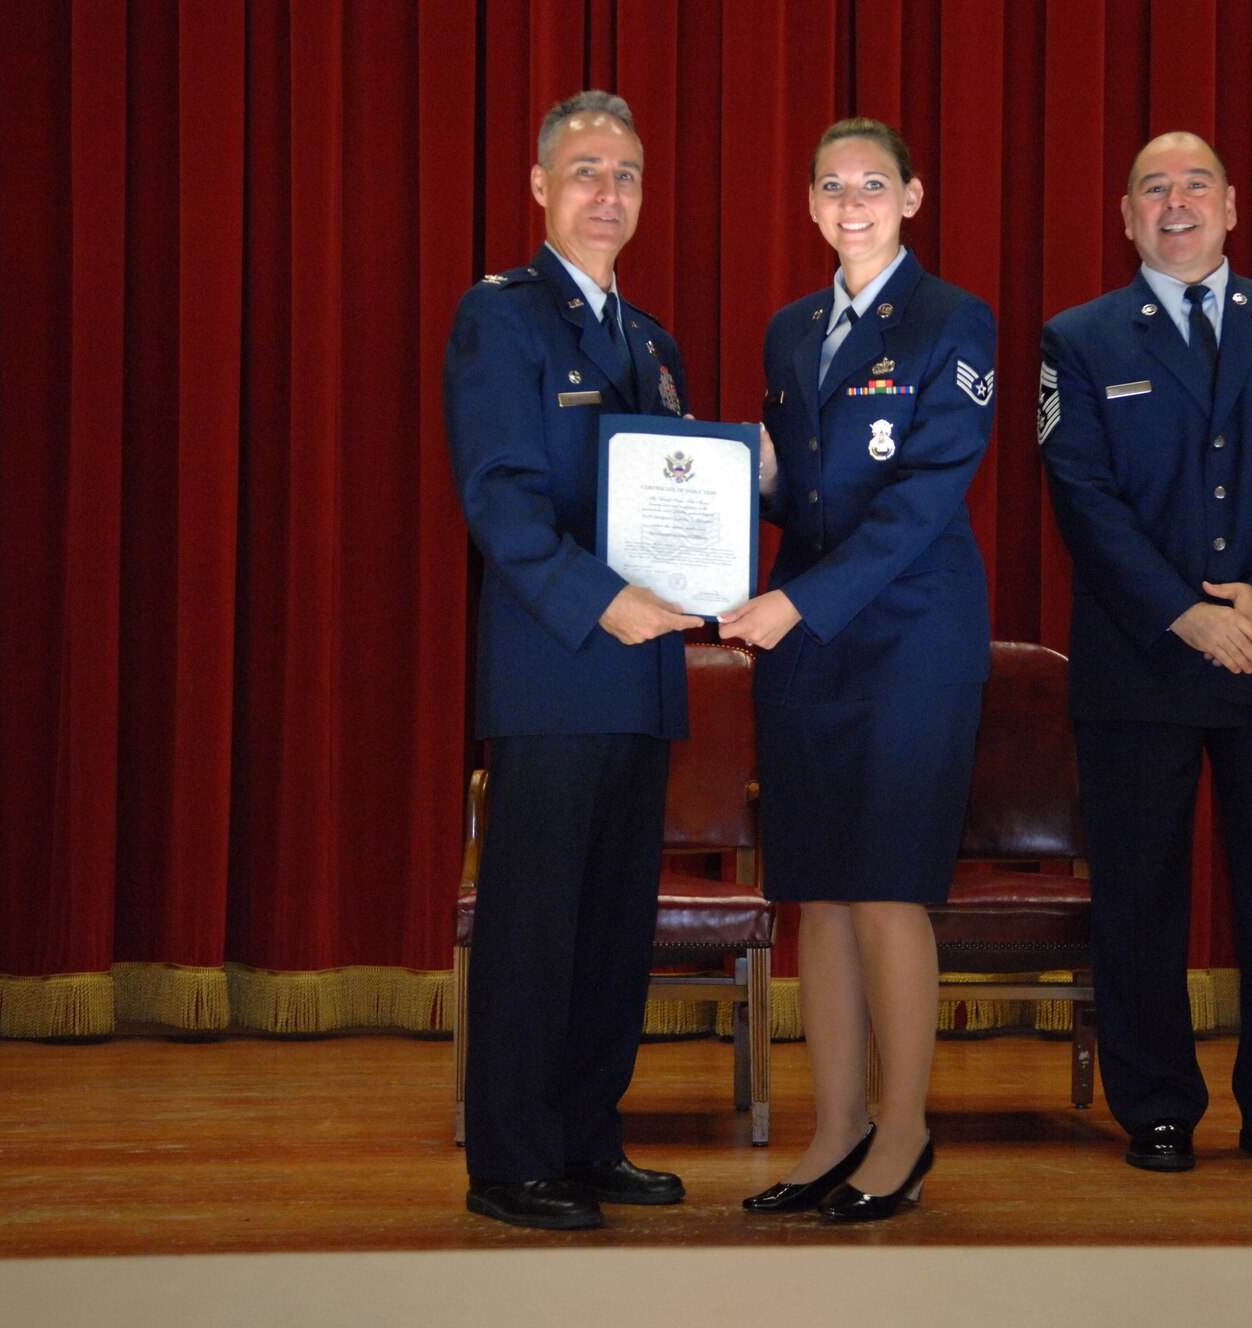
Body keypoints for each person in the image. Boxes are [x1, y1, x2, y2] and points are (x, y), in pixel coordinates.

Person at [1038, 132, 1252, 1174]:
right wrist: (1186, 613)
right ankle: (1157, 1105)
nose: (1173, 203)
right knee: (1140, 893)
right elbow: (1082, 497)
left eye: (1193, 186)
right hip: (1141, 660)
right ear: (1124, 216)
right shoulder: (1078, 338)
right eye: (1150, 189)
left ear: (1230, 204)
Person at [718, 118, 996, 1223]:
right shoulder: (792, 332)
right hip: (805, 640)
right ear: (809, 203)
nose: (851, 202)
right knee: (815, 895)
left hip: (909, 638)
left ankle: (904, 1129)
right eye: (831, 186)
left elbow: (925, 499)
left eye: (871, 183)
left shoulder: (950, 319)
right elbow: (810, 499)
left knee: (887, 888)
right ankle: (833, 1128)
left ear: (912, 197)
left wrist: (797, 599)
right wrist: (760, 482)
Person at [442, 91, 702, 1230]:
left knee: (609, 929)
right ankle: (510, 1157)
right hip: (556, 667)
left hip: (642, 680)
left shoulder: (651, 340)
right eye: (587, 170)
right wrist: (609, 603)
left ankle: (588, 1137)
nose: (609, 191)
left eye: (629, 173)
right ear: (539, 187)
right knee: (534, 925)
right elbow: (499, 504)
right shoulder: (500, 319)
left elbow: (677, 506)